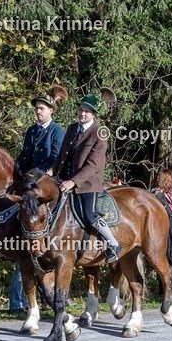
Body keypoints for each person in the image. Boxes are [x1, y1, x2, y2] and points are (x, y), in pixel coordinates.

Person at [10, 86, 67, 313]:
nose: (38, 112)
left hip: (48, 182)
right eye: (36, 109)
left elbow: (57, 157)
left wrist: (45, 174)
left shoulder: (57, 131)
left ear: (51, 111)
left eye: (42, 109)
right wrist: (14, 172)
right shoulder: (31, 131)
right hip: (29, 183)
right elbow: (24, 156)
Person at [53, 91, 121, 263]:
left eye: (87, 111)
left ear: (93, 114)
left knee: (90, 216)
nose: (82, 113)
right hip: (63, 179)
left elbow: (93, 165)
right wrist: (52, 172)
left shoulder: (100, 133)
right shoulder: (71, 129)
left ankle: (113, 243)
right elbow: (62, 155)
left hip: (88, 184)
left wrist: (73, 182)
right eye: (81, 110)